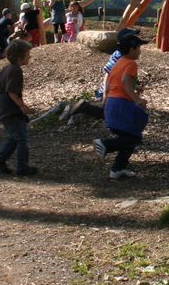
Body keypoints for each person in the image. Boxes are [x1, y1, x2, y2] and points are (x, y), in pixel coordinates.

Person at [93, 31, 149, 179]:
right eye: (139, 48)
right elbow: (124, 82)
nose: (140, 51)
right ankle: (105, 144)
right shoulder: (131, 63)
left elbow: (114, 82)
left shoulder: (119, 63)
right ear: (132, 49)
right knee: (133, 137)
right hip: (121, 104)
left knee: (130, 136)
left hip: (112, 102)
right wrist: (137, 99)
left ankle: (117, 169)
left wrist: (134, 88)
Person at [62, 27, 138, 124]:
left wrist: (135, 86)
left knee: (111, 112)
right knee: (109, 114)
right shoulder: (119, 56)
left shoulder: (123, 56)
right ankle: (85, 107)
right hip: (110, 90)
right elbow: (108, 73)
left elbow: (123, 77)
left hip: (115, 90)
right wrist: (106, 92)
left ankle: (85, 108)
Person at [0, 39, 38, 176]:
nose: (30, 56)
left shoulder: (7, 68)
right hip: (11, 111)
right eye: (28, 54)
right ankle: (22, 168)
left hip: (4, 108)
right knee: (22, 140)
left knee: (14, 137)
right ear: (19, 56)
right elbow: (11, 92)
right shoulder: (16, 70)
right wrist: (22, 106)